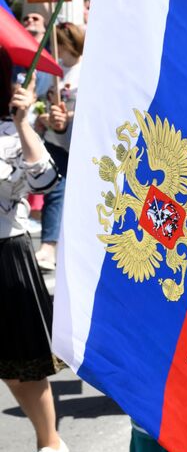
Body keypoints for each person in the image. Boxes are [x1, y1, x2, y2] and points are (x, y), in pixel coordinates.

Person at [0, 48, 66, 452]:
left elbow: (45, 180)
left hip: (6, 253)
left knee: (20, 367)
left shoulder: (10, 133)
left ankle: (50, 443)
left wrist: (24, 122)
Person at [32, 20, 83, 271]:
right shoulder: (52, 71)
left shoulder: (87, 70)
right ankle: (48, 246)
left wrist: (69, 116)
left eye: (60, 45)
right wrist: (44, 115)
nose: (57, 50)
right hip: (55, 142)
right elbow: (41, 100)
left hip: (79, 143)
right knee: (55, 190)